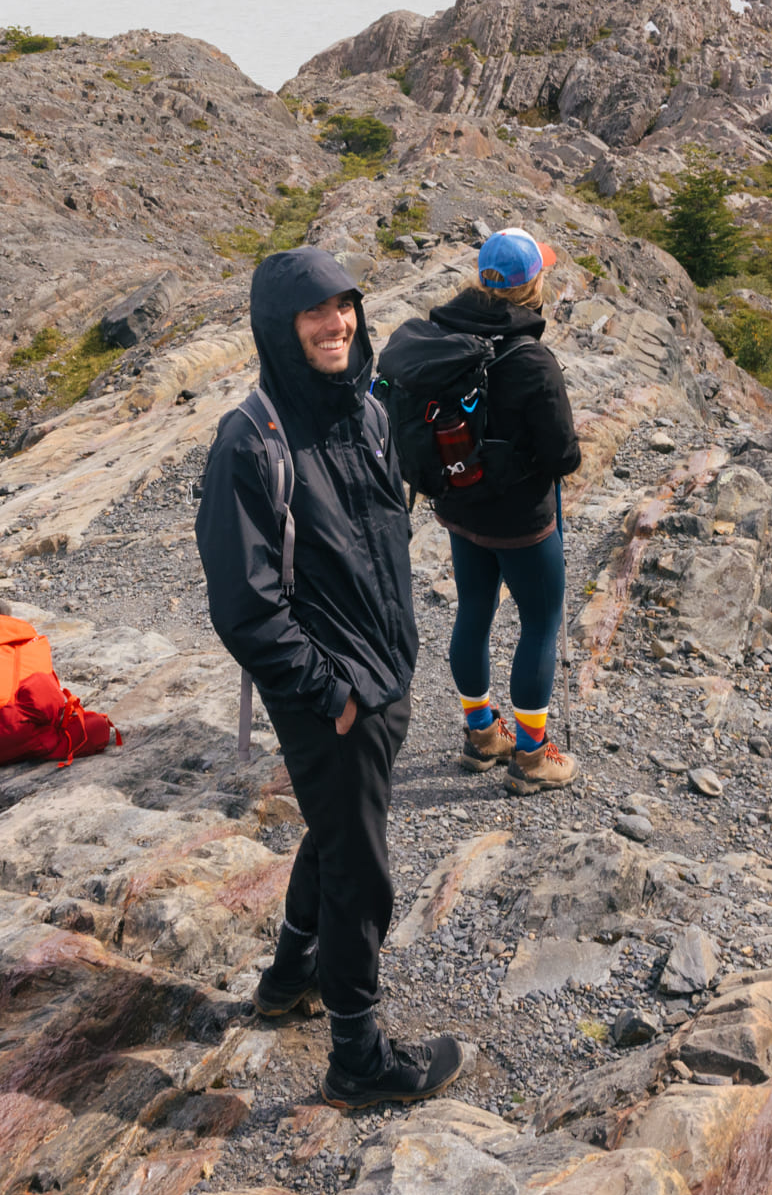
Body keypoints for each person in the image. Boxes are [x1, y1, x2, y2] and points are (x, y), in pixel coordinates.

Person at [197, 246, 465, 1110]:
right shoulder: (252, 439)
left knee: (335, 827)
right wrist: (331, 692)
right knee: (359, 863)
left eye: (344, 305)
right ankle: (357, 1050)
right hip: (332, 693)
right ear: (280, 328)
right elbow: (246, 606)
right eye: (314, 313)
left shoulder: (368, 409)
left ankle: (289, 976)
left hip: (381, 672)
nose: (335, 323)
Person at [436, 228, 585, 795]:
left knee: (474, 609)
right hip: (522, 521)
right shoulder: (532, 359)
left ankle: (481, 735)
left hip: (459, 506)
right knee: (540, 623)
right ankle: (530, 753)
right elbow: (562, 456)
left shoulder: (447, 335)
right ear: (534, 284)